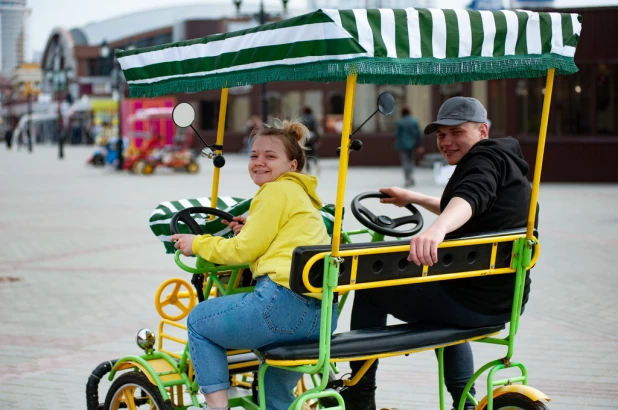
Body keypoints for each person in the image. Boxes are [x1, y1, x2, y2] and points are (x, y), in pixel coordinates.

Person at [335, 97, 533, 410]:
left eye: (457, 132)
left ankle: (360, 396)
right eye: (441, 135)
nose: (447, 141)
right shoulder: (503, 161)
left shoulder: (482, 161)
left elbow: (470, 198)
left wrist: (436, 230)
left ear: (482, 131)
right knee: (438, 296)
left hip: (473, 300)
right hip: (503, 298)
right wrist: (412, 197)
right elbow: (471, 205)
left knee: (370, 287)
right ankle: (464, 403)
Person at [170, 119, 337, 410]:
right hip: (321, 318)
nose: (259, 162)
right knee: (275, 393)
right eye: (254, 155)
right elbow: (278, 236)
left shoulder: (274, 192)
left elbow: (242, 250)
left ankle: (217, 407)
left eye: (271, 156)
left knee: (199, 321)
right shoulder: (302, 195)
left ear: (293, 165)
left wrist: (195, 243)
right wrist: (251, 226)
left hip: (281, 308)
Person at [395, 106, 424, 187]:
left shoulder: (400, 122)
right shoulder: (414, 121)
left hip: (403, 145)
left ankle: (407, 179)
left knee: (405, 162)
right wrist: (420, 145)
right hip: (412, 145)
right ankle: (411, 175)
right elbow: (418, 134)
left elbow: (397, 135)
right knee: (411, 161)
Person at [301, 106, 320, 175]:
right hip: (312, 137)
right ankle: (316, 166)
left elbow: (301, 128)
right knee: (314, 152)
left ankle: (308, 170)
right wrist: (317, 138)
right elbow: (316, 128)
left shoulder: (303, 118)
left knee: (306, 154)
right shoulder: (313, 118)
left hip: (305, 137)